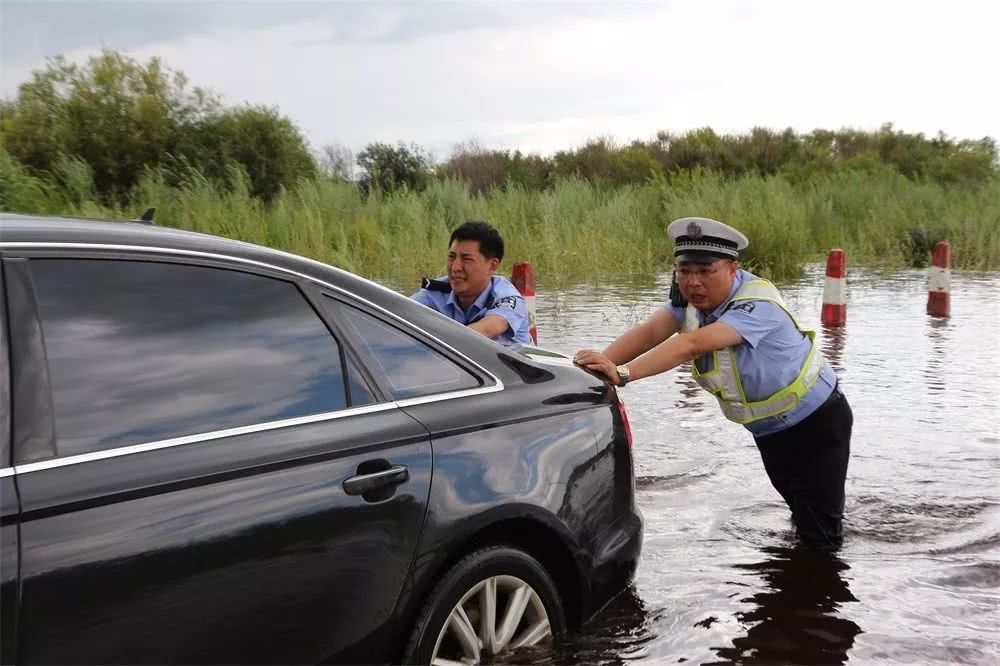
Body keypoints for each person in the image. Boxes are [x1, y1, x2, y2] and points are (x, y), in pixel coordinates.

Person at [574, 217, 852, 548]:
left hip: (818, 423)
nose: (693, 282)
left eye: (706, 271)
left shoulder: (757, 303)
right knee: (801, 516)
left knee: (821, 534)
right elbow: (649, 332)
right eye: (685, 270)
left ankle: (823, 592)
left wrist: (624, 374)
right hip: (770, 431)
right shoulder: (688, 304)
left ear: (733, 268)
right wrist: (590, 370)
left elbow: (689, 345)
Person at [411, 220, 532, 347]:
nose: (455, 267)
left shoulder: (507, 298)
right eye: (452, 257)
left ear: (492, 266)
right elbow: (399, 313)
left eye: (467, 259)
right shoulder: (434, 292)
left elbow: (484, 331)